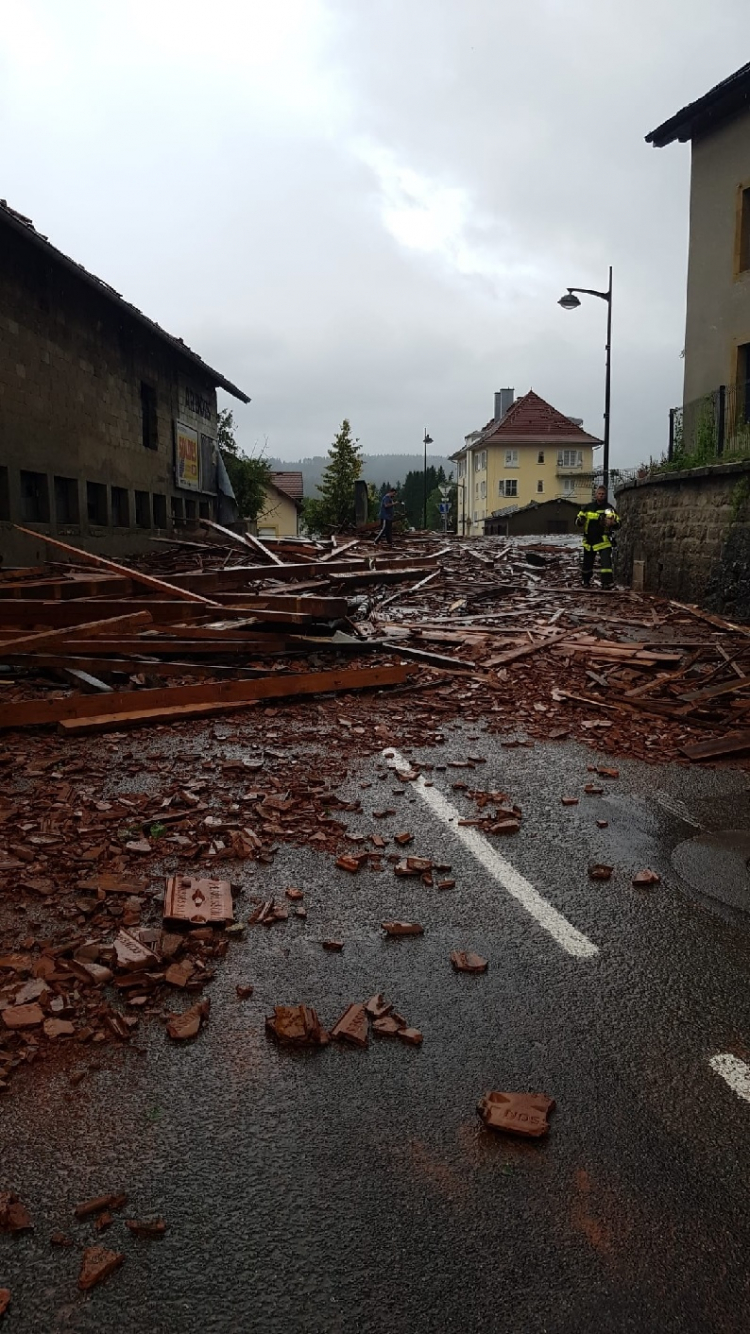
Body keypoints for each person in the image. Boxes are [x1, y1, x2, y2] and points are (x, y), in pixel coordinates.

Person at [576, 485, 620, 589]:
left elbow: (618, 523)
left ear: (605, 495)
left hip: (603, 540)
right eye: (599, 494)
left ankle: (607, 583)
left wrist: (613, 523)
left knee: (606, 564)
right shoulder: (588, 507)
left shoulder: (609, 509)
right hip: (589, 541)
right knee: (587, 564)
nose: (601, 496)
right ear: (595, 495)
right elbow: (578, 521)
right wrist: (580, 520)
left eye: (603, 494)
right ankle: (585, 581)